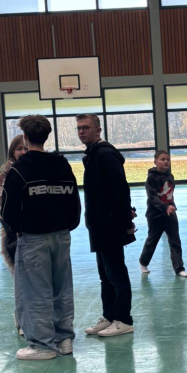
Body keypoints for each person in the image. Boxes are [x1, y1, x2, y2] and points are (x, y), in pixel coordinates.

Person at [0, 115, 80, 361]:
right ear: (47, 136)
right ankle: (64, 339)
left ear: (25, 137)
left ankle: (42, 345)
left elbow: (7, 211)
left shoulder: (19, 169)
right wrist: (67, 225)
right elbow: (74, 202)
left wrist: (19, 228)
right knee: (62, 288)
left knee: (35, 292)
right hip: (62, 236)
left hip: (33, 238)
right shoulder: (62, 165)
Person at [76, 113, 136, 337]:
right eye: (79, 128)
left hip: (111, 224)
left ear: (98, 130)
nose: (82, 131)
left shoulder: (105, 154)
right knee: (105, 275)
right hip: (98, 225)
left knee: (116, 273)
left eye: (86, 127)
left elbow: (121, 189)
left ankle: (124, 319)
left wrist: (126, 221)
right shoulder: (92, 154)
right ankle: (109, 315)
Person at [138, 150, 187, 278]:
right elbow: (152, 197)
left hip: (170, 214)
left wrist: (171, 207)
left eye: (168, 159)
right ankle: (143, 262)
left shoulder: (170, 176)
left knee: (175, 241)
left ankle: (179, 268)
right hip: (155, 215)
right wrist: (164, 206)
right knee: (152, 240)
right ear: (155, 162)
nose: (166, 161)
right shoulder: (151, 178)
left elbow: (169, 195)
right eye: (162, 159)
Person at [0, 134, 28, 335]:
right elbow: (3, 205)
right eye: (19, 149)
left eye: (26, 148)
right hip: (12, 235)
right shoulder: (7, 173)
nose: (23, 152)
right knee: (20, 281)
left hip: (33, 233)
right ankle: (21, 321)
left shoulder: (35, 168)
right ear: (12, 152)